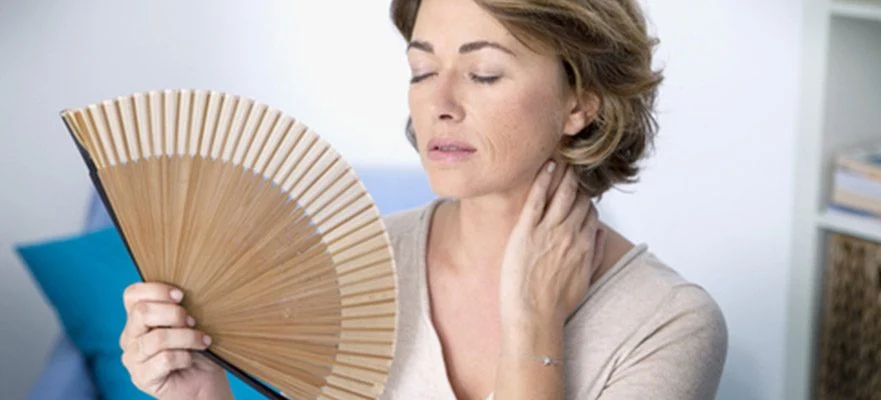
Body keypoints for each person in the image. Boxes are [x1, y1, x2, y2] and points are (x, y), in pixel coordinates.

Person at [118, 0, 728, 399]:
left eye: (484, 73)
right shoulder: (352, 267)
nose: (439, 103)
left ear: (581, 103)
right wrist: (203, 395)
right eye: (421, 71)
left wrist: (534, 329)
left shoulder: (667, 323)